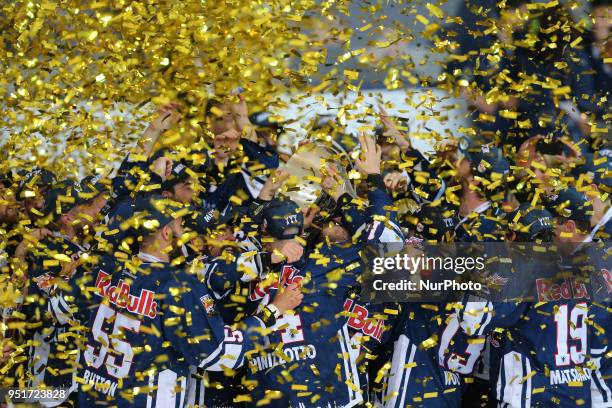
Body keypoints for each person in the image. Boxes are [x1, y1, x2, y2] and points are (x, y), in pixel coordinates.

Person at [77, 195, 303, 407]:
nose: (186, 233)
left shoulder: (105, 270)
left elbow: (60, 307)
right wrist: (273, 311)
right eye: (181, 226)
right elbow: (221, 354)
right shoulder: (176, 285)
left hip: (91, 396)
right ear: (166, 233)